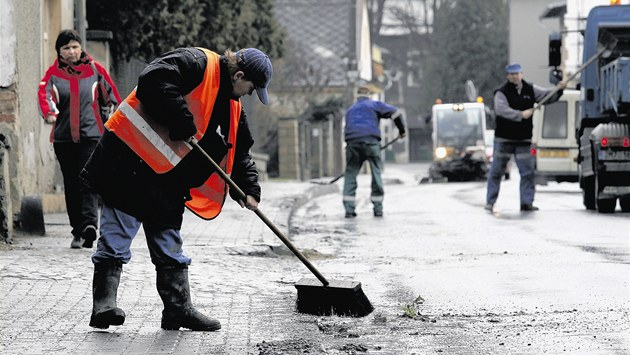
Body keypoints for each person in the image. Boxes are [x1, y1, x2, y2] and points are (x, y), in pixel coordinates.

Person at [79, 47, 272, 331]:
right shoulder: (195, 63)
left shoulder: (233, 107)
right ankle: (103, 306)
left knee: (169, 244)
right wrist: (180, 118)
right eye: (251, 88)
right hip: (128, 163)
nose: (249, 94)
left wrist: (249, 187)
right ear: (239, 75)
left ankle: (177, 309)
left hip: (167, 179)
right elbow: (151, 80)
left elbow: (240, 151)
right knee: (116, 236)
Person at [38, 29, 121, 249]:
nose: (71, 51)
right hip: (64, 139)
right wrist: (49, 113)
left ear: (81, 48)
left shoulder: (94, 70)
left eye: (75, 46)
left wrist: (112, 114)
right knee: (72, 185)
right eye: (66, 48)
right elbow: (44, 95)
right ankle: (77, 230)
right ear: (60, 52)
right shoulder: (53, 74)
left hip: (91, 136)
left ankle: (90, 226)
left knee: (87, 180)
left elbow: (111, 95)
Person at [485, 63, 565, 212]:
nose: (515, 76)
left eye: (518, 73)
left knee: (528, 173)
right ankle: (490, 201)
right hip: (504, 139)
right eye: (512, 74)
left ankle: (526, 202)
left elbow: (548, 96)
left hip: (523, 140)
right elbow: (501, 110)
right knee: (496, 171)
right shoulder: (501, 93)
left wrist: (559, 89)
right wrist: (520, 115)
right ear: (507, 76)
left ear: (522, 74)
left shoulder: (531, 89)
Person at [342, 85, 406, 218]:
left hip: (352, 143)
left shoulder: (350, 110)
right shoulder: (373, 105)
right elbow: (396, 113)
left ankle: (349, 209)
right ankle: (378, 208)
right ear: (369, 95)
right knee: (376, 171)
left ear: (357, 96)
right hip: (371, 142)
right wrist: (402, 130)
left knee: (350, 173)